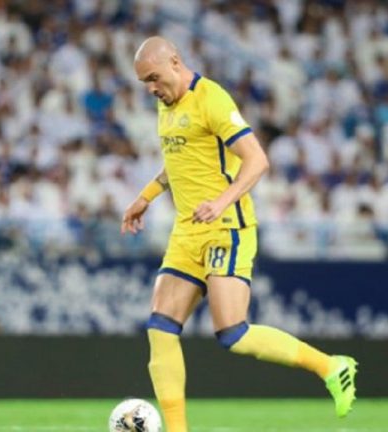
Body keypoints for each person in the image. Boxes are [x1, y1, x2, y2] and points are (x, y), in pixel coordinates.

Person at [121, 36, 357, 432]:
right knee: (160, 327)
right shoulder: (167, 105)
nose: (151, 89)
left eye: (154, 78)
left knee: (232, 333)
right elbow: (180, 162)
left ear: (175, 61)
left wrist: (221, 202)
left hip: (227, 229)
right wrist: (145, 196)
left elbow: (257, 160)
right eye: (145, 82)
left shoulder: (211, 98)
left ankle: (331, 367)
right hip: (187, 232)